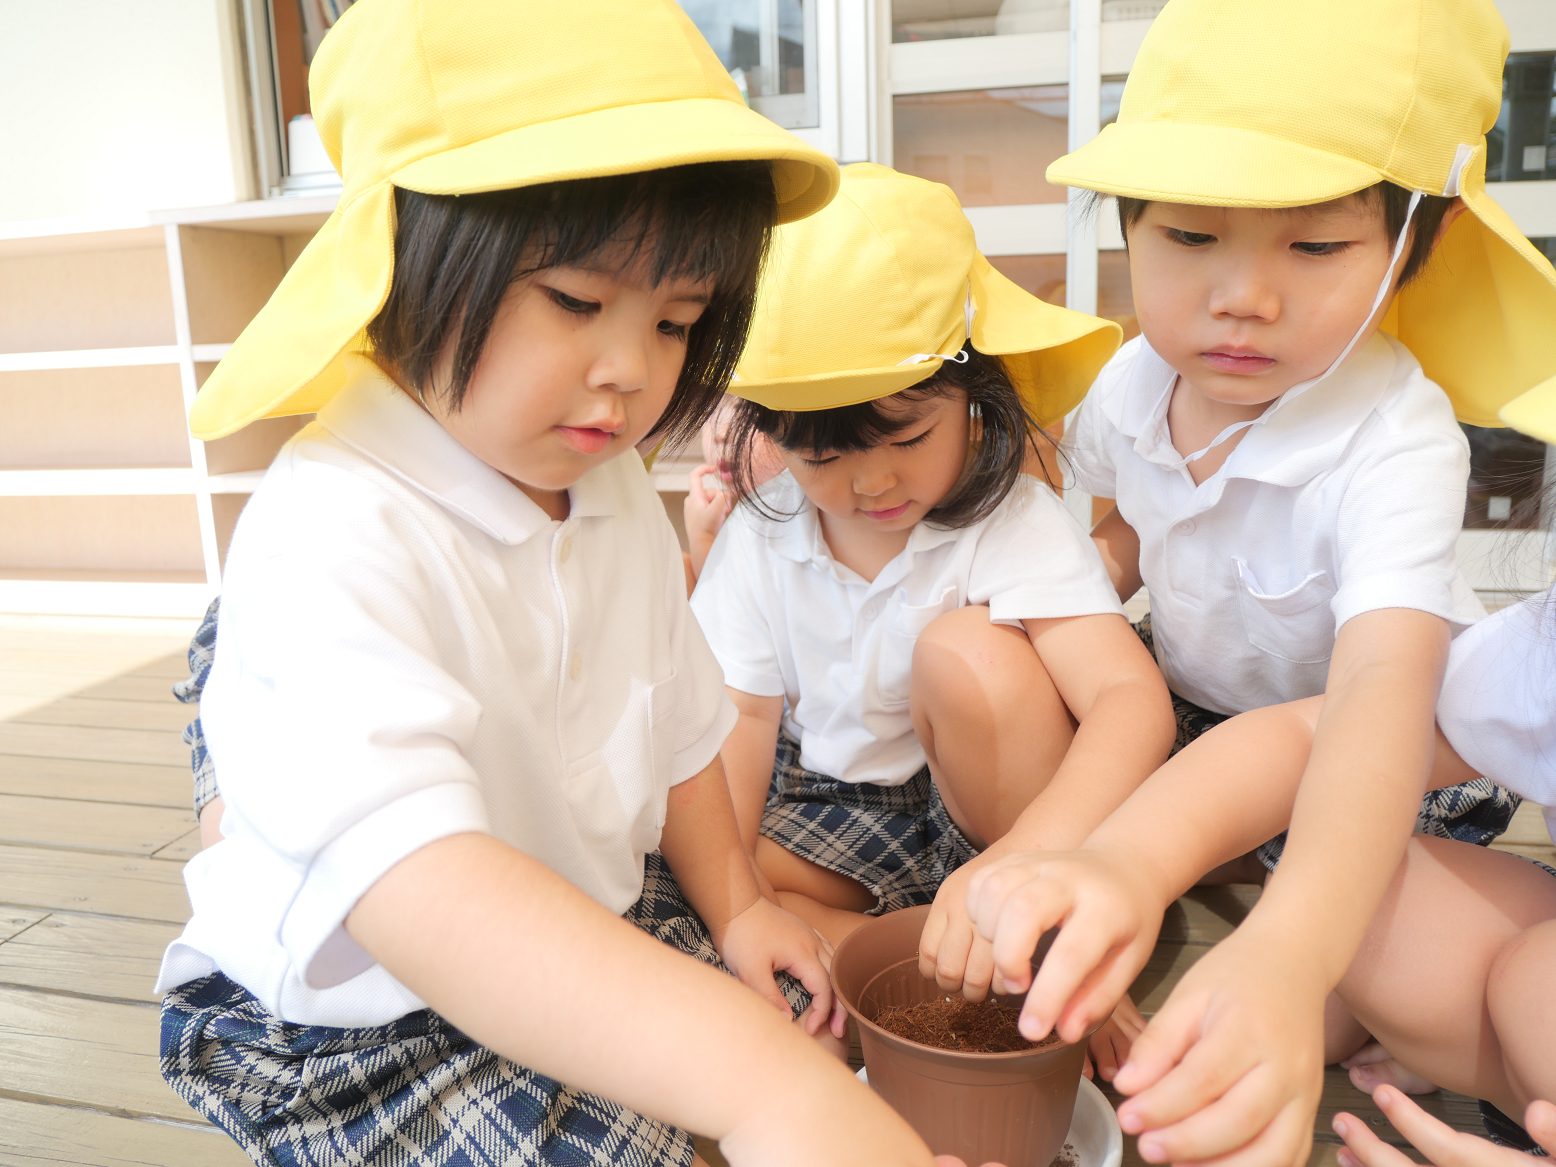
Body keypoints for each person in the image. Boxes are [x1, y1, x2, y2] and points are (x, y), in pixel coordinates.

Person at [151, 4, 979, 1165]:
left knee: (806, 1032)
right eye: (577, 302)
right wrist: (764, 1091)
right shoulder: (333, 526)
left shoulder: (604, 489)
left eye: (676, 322)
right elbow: (432, 894)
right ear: (402, 262)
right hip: (366, 1015)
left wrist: (740, 905)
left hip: (587, 903)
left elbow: (677, 728)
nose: (631, 370)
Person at [944, 0, 1556, 1162]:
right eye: (1188, 237)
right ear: (1128, 226)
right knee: (1012, 671)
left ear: (1412, 247)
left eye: (1313, 248)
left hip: (1388, 761)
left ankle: (1313, 981)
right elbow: (1124, 528)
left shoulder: (1393, 438)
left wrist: (1286, 952)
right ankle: (1093, 892)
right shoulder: (1130, 384)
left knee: (1314, 959)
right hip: (1203, 711)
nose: (1243, 297)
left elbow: (1376, 691)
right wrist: (1071, 609)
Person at [689, 163, 1176, 1077]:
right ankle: (926, 959)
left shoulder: (1008, 518)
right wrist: (738, 904)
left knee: (973, 655)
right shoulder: (764, 536)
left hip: (986, 802)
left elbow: (1129, 700)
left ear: (974, 393)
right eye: (823, 457)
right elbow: (742, 722)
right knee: (712, 859)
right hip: (836, 817)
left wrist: (1030, 859)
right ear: (771, 434)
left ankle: (1045, 939)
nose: (872, 482)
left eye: (908, 436)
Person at [681, 396, 785, 588]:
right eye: (712, 412)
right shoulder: (749, 515)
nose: (721, 434)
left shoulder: (786, 522)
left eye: (748, 415)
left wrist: (702, 536)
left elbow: (722, 598)